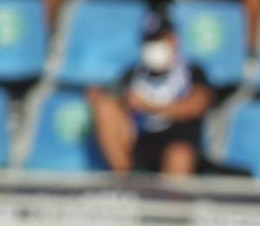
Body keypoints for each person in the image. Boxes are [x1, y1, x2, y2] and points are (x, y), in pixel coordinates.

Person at [89, 11, 216, 177]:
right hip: (142, 144)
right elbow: (114, 99)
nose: (154, 46)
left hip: (178, 144)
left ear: (174, 40)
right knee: (105, 107)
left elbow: (198, 105)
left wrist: (151, 107)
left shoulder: (192, 72)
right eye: (150, 40)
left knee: (180, 154)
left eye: (160, 39)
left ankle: (174, 201)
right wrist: (103, 98)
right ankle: (124, 181)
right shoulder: (132, 74)